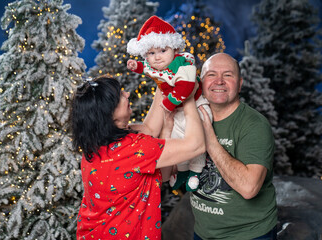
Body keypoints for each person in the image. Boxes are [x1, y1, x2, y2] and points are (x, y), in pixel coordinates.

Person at [70, 76, 205, 240]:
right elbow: (196, 144)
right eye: (120, 95)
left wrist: (163, 79)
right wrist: (188, 96)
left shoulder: (96, 142)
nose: (127, 94)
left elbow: (149, 128)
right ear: (109, 112)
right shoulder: (134, 149)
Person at [191, 53, 277, 240]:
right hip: (203, 233)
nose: (219, 81)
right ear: (201, 82)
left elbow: (249, 188)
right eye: (211, 74)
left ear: (240, 84)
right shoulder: (191, 118)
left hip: (249, 235)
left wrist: (208, 136)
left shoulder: (254, 125)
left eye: (228, 75)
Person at [126, 15, 213, 191]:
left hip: (195, 105)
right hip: (177, 109)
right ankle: (181, 171)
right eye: (151, 53)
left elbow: (185, 87)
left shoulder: (182, 63)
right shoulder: (157, 65)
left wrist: (168, 104)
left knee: (197, 133)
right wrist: (137, 66)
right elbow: (147, 68)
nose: (157, 58)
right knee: (176, 139)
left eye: (162, 51)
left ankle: (196, 171)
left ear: (174, 49)